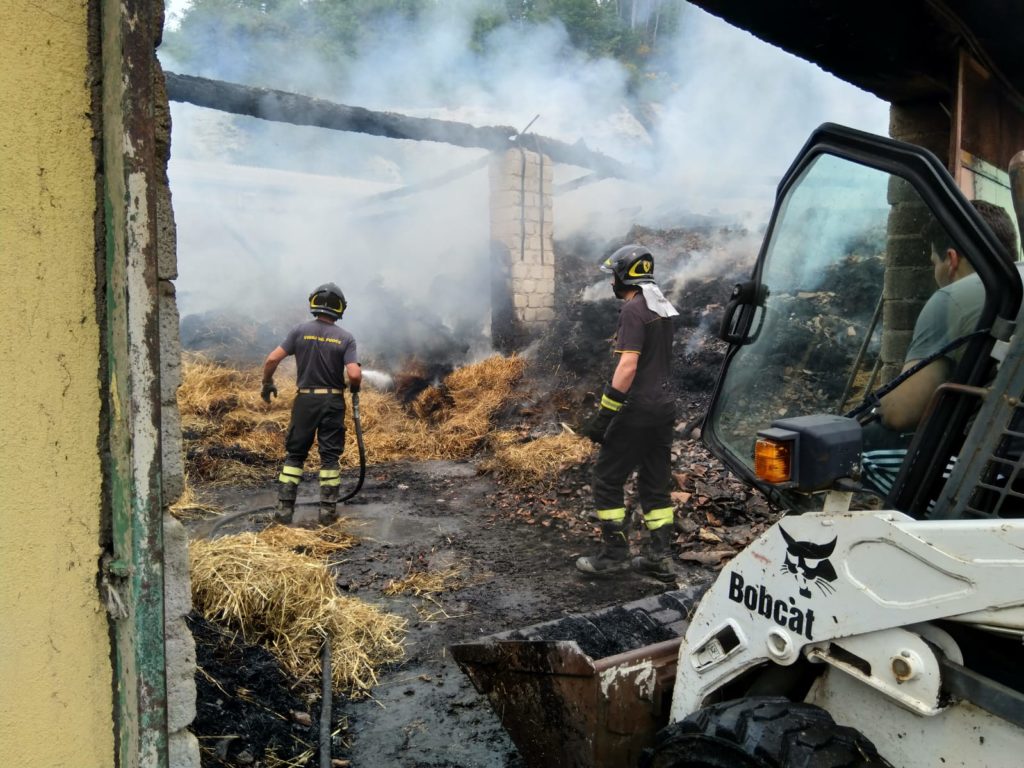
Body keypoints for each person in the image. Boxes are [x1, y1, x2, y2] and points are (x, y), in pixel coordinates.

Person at [862, 200, 1019, 495]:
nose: (936, 270)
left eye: (934, 261)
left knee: (857, 450)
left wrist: (879, 406)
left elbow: (900, 413)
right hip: (1014, 461)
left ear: (951, 259)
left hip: (998, 473)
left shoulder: (956, 297)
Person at [575, 244, 680, 582]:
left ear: (625, 274)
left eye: (613, 275)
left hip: (637, 408)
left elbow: (628, 366)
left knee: (607, 478)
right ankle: (658, 557)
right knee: (654, 482)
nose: (611, 283)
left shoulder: (634, 310)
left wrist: (605, 415)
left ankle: (614, 555)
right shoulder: (660, 306)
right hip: (664, 407)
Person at [261, 283, 362, 525]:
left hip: (305, 400)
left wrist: (267, 383)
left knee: (295, 455)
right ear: (340, 307)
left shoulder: (299, 331)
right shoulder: (345, 338)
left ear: (314, 303)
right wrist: (355, 388)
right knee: (329, 458)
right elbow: (355, 374)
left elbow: (272, 359)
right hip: (332, 401)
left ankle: (284, 511)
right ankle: (327, 514)